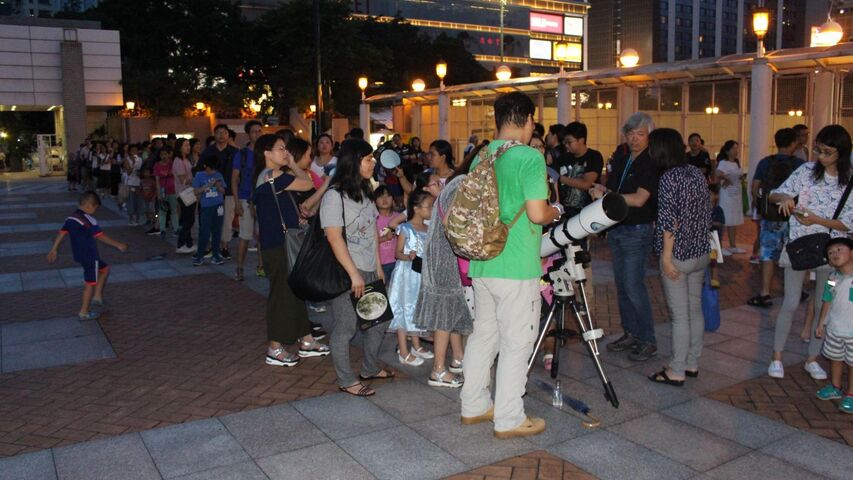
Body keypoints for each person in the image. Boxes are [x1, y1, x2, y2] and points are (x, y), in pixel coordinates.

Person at [460, 92, 561, 439]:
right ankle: (509, 418)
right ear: (528, 119)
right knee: (518, 342)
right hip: (516, 264)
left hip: (482, 262)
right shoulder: (529, 157)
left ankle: (473, 405)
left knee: (484, 336)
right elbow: (537, 213)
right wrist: (556, 211)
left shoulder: (482, 156)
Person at [767, 124, 853, 380]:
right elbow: (773, 194)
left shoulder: (848, 180)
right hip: (799, 247)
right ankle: (777, 357)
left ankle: (812, 358)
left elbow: (848, 223)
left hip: (832, 252)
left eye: (827, 151)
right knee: (791, 302)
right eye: (818, 149)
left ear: (841, 153)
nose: (820, 156)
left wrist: (817, 219)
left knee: (822, 304)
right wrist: (784, 198)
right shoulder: (805, 171)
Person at [320, 138, 393, 397]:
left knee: (379, 321)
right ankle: (346, 379)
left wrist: (378, 266)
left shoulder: (364, 191)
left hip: (369, 267)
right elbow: (333, 237)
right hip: (346, 271)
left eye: (372, 158)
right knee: (346, 327)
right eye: (368, 158)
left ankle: (370, 367)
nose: (373, 163)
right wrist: (354, 274)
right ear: (354, 161)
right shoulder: (333, 196)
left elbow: (372, 231)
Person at [252, 134, 329, 367]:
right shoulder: (271, 176)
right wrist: (294, 164)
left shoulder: (272, 177)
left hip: (280, 242)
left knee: (295, 292)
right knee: (281, 296)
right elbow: (308, 183)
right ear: (266, 153)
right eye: (280, 149)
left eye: (286, 149)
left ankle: (306, 340)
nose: (285, 153)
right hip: (278, 245)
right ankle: (274, 347)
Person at [645, 128, 711, 387]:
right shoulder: (695, 172)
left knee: (680, 315)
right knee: (694, 310)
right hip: (700, 253)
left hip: (679, 255)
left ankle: (676, 369)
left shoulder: (668, 178)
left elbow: (669, 220)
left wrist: (666, 257)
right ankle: (692, 362)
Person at [594, 112, 659, 361]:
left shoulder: (650, 161)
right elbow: (617, 190)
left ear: (649, 136)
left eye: (640, 134)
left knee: (634, 286)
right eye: (630, 134)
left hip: (637, 229)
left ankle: (647, 339)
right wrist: (604, 190)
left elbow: (640, 199)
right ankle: (631, 333)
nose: (634, 139)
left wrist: (608, 197)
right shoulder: (623, 156)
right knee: (622, 286)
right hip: (618, 227)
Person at [413, 169, 472, 389]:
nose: (439, 184)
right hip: (443, 259)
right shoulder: (457, 189)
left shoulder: (451, 189)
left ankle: (457, 357)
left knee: (451, 310)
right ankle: (438, 369)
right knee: (444, 314)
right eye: (434, 183)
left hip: (444, 257)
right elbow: (452, 223)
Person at [46, 191, 128, 320]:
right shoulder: (88, 219)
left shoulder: (71, 218)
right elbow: (100, 236)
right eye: (95, 208)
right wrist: (118, 244)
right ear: (90, 206)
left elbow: (62, 232)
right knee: (90, 283)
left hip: (80, 255)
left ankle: (97, 297)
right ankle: (83, 312)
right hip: (90, 256)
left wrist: (54, 249)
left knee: (105, 269)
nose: (95, 211)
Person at [746, 128, 804, 308]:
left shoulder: (765, 162)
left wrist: (760, 205)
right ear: (794, 143)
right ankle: (796, 290)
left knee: (768, 254)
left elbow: (755, 187)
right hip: (793, 217)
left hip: (771, 216)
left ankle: (765, 293)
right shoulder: (800, 164)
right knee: (794, 253)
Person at [388, 189, 435, 366]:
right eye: (428, 206)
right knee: (403, 308)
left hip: (421, 274)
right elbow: (397, 253)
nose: (431, 209)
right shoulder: (406, 228)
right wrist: (408, 256)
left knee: (416, 308)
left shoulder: (428, 228)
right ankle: (404, 350)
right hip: (407, 274)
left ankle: (416, 345)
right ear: (416, 208)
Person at [814, 237, 853, 414]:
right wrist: (822, 322)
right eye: (831, 253)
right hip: (835, 327)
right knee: (835, 357)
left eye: (839, 249)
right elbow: (827, 300)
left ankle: (851, 394)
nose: (835, 254)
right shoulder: (832, 277)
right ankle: (835, 386)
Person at [200, 124, 239, 260]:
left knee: (227, 220)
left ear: (228, 135)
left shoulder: (235, 152)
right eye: (218, 132)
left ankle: (224, 247)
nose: (221, 135)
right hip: (211, 192)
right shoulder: (208, 152)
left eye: (224, 132)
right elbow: (200, 170)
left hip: (228, 192)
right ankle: (212, 246)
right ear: (214, 135)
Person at [232, 120, 263, 281]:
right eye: (254, 131)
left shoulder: (266, 152)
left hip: (262, 199)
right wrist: (237, 202)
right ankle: (239, 267)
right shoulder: (242, 154)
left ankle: (261, 266)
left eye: (260, 130)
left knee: (262, 236)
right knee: (245, 235)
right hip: (245, 198)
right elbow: (234, 179)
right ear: (248, 134)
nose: (257, 133)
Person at [557, 121, 603, 218]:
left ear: (581, 140)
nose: (566, 145)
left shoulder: (594, 157)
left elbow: (586, 184)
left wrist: (559, 178)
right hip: (565, 213)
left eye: (569, 142)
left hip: (586, 213)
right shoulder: (563, 158)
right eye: (564, 142)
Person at [191, 157, 226, 267]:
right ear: (205, 166)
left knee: (217, 232)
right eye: (211, 169)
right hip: (206, 207)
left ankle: (215, 255)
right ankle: (200, 256)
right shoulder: (199, 175)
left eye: (215, 169)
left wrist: (218, 187)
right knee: (204, 232)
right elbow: (196, 191)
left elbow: (223, 191)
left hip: (218, 206)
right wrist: (207, 186)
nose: (213, 172)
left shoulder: (218, 175)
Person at [715, 140, 745, 255]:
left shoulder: (736, 162)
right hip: (727, 194)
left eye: (737, 148)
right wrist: (726, 178)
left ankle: (733, 245)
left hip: (736, 193)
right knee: (724, 218)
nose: (736, 150)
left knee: (734, 219)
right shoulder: (723, 162)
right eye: (733, 148)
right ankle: (720, 246)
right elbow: (717, 173)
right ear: (727, 151)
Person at [173, 139, 196, 254]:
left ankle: (188, 243)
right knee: (189, 219)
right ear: (179, 147)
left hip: (188, 193)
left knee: (187, 219)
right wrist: (195, 180)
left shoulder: (185, 159)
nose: (188, 147)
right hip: (184, 193)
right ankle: (181, 243)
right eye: (186, 145)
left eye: (188, 145)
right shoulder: (178, 161)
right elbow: (183, 179)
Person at [153, 145, 178, 240]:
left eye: (165, 154)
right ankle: (162, 229)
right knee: (162, 211)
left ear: (169, 155)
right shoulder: (157, 165)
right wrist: (158, 193)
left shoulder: (173, 164)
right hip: (163, 192)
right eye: (161, 154)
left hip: (173, 191)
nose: (163, 156)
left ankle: (176, 229)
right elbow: (157, 180)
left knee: (174, 210)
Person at [375, 186, 399, 281]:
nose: (385, 199)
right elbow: (371, 241)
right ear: (375, 201)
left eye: (388, 196)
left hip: (397, 261)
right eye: (381, 196)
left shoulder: (398, 217)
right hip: (381, 264)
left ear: (393, 199)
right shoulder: (373, 219)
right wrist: (385, 238)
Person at [123, 144, 143, 226]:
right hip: (130, 183)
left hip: (138, 183)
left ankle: (138, 218)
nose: (134, 152)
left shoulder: (140, 159)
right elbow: (128, 172)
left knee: (138, 201)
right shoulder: (127, 160)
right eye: (132, 150)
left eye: (135, 150)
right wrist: (133, 163)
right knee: (130, 201)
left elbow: (141, 171)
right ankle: (131, 219)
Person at [709, 184, 724, 288]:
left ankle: (715, 278)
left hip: (714, 238)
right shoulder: (702, 209)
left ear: (716, 196)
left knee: (714, 260)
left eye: (709, 194)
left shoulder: (718, 210)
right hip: (704, 237)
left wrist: (709, 223)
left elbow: (720, 223)